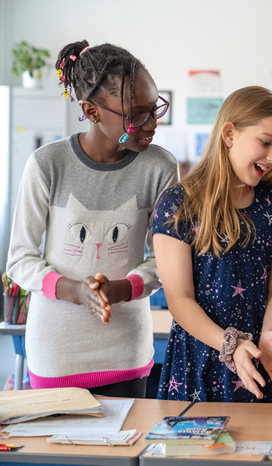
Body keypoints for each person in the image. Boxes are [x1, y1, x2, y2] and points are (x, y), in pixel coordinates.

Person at [5, 40, 178, 397]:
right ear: (92, 111)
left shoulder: (160, 168)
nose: (151, 123)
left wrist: (121, 289)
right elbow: (20, 260)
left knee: (125, 449)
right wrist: (75, 291)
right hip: (56, 350)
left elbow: (167, 260)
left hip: (125, 348)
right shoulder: (46, 164)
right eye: (137, 114)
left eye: (154, 109)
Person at [153, 86, 272, 403]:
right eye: (266, 142)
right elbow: (179, 299)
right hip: (199, 361)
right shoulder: (177, 203)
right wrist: (230, 345)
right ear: (229, 134)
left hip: (257, 361)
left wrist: (269, 337)